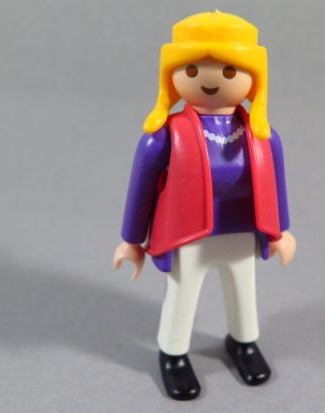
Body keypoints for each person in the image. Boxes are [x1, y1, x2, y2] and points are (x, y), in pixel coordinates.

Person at [113, 11, 296, 400]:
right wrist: (131, 240)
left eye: (230, 71)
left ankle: (244, 342)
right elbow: (140, 187)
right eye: (192, 69)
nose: (211, 80)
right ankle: (173, 354)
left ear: (253, 78)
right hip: (187, 234)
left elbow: (276, 184)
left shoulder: (263, 136)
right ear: (173, 75)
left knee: (244, 289)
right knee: (183, 294)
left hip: (241, 228)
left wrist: (280, 231)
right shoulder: (164, 136)